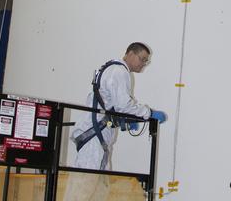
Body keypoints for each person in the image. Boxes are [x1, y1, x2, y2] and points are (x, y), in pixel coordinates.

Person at [70, 42, 166, 171]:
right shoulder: (119, 71)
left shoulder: (113, 69)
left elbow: (111, 103)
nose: (143, 64)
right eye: (142, 59)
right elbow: (124, 106)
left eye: (146, 61)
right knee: (89, 179)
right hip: (94, 135)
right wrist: (149, 113)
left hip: (95, 133)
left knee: (97, 179)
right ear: (130, 54)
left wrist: (125, 119)